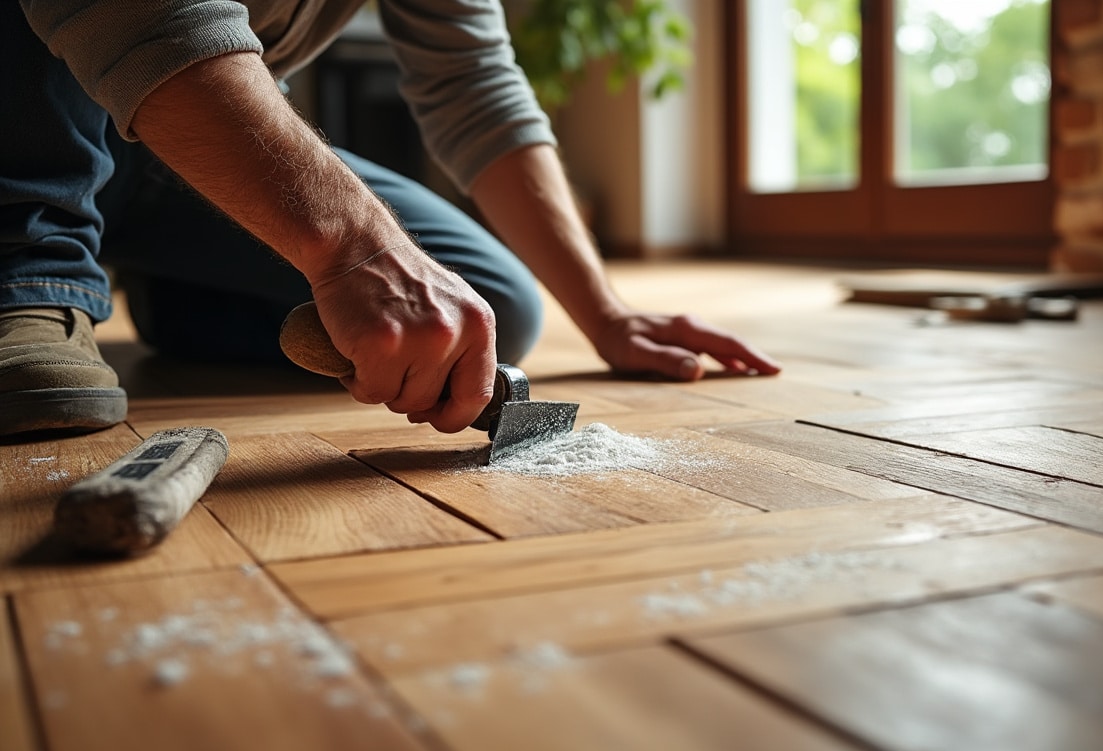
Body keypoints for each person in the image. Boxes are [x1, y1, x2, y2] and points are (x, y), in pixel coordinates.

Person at [0, 0, 780, 440]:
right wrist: (353, 248)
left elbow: (475, 84)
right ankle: (28, 276)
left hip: (177, 148)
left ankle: (174, 284)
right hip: (33, 110)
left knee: (483, 312)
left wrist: (605, 314)